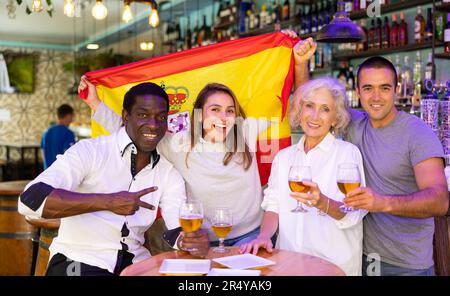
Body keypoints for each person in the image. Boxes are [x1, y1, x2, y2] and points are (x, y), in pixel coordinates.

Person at [18, 82, 208, 276]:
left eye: (161, 117)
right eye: (143, 115)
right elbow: (30, 200)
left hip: (135, 264)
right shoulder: (90, 151)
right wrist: (107, 201)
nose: (153, 124)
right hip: (76, 261)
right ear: (126, 116)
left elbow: (176, 228)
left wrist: (188, 240)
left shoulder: (168, 173)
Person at [295, 41, 449, 275]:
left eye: (385, 88)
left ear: (397, 90)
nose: (376, 97)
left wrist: (382, 202)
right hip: (361, 256)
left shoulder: (417, 133)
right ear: (358, 92)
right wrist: (301, 62)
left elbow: (440, 200)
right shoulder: (354, 123)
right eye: (368, 88)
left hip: (405, 264)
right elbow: (312, 104)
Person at [79, 79, 277, 248]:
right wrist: (94, 102)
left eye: (229, 111)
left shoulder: (246, 131)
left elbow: (296, 112)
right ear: (199, 114)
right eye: (215, 109)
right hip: (204, 242)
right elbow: (133, 131)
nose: (223, 118)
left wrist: (298, 59)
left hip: (253, 236)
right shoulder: (179, 144)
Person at [240, 77, 367, 276]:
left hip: (333, 267)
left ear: (336, 118)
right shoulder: (284, 157)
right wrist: (264, 236)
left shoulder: (347, 153)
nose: (315, 116)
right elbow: (273, 206)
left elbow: (353, 213)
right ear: (300, 112)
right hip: (289, 264)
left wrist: (322, 202)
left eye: (325, 109)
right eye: (309, 106)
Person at [41, 104, 76, 169]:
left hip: (47, 173)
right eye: (72, 117)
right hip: (61, 174)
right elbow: (70, 156)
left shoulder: (46, 132)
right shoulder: (68, 133)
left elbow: (43, 153)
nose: (72, 120)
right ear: (68, 116)